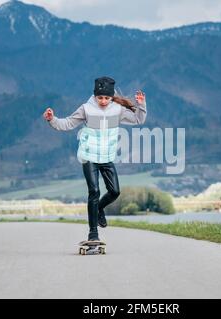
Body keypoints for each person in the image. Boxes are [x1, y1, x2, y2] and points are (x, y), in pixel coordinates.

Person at [43, 76, 147, 241]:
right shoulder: (86, 109)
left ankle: (98, 209)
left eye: (107, 97)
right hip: (89, 157)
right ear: (95, 96)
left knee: (115, 191)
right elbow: (68, 123)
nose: (103, 101)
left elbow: (138, 119)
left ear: (111, 96)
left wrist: (141, 105)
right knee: (94, 192)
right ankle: (93, 234)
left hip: (107, 157)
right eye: (100, 97)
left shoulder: (117, 110)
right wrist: (52, 120)